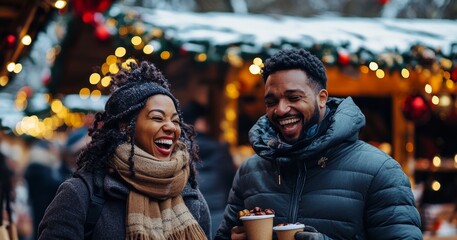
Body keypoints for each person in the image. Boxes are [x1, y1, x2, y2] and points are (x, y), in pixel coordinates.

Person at [215, 48, 422, 239]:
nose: (281, 109)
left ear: (321, 98)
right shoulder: (250, 172)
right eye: (271, 102)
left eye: (293, 97)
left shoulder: (380, 171)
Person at [38, 61, 211, 239]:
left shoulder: (191, 196)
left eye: (175, 120)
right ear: (125, 126)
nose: (171, 127)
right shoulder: (81, 194)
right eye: (158, 118)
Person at [182, 101, 237, 238]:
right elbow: (233, 182)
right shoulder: (219, 149)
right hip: (219, 216)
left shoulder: (179, 152)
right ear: (200, 122)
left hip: (191, 216)